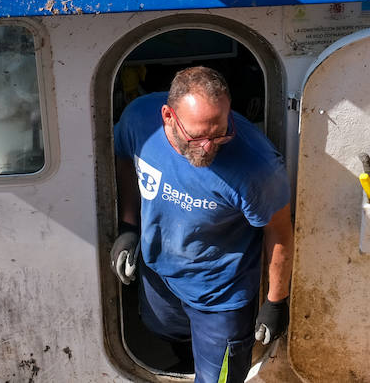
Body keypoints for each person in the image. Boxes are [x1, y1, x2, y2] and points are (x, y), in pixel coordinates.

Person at [112, 66, 293, 383]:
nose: (208, 147)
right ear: (168, 116)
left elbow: (279, 233)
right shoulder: (139, 120)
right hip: (159, 272)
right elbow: (125, 158)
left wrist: (276, 301)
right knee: (164, 332)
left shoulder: (257, 168)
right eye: (196, 136)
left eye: (219, 133)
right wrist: (128, 226)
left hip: (220, 295)